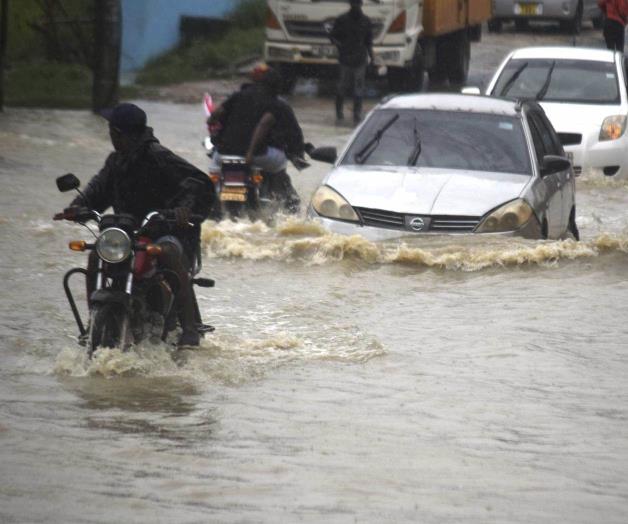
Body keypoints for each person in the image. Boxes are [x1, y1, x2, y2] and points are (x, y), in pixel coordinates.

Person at [56, 103, 215, 347]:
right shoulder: (116, 161)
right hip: (125, 234)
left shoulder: (158, 156)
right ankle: (93, 322)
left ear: (121, 133)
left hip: (166, 230)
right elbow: (98, 189)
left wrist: (184, 209)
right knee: (95, 255)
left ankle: (190, 328)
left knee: (168, 252)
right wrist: (78, 207)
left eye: (112, 131)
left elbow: (200, 183)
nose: (111, 136)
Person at [210, 65, 303, 212]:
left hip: (226, 153)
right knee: (280, 166)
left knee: (216, 166)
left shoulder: (238, 96)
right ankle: (283, 199)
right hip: (257, 156)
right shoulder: (277, 104)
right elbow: (268, 126)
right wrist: (250, 152)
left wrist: (213, 128)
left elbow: (215, 115)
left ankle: (219, 201)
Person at [329, 0, 374, 124]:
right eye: (354, 3)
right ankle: (339, 113)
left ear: (360, 5)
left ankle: (356, 114)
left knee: (358, 89)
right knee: (342, 88)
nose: (355, 6)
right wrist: (341, 47)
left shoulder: (366, 21)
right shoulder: (342, 20)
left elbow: (369, 42)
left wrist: (372, 58)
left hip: (359, 59)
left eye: (357, 4)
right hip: (346, 59)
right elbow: (332, 37)